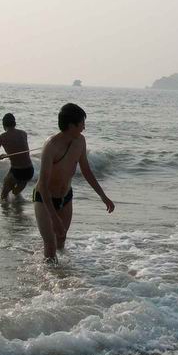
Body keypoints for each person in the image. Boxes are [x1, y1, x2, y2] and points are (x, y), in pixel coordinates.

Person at [33, 103, 115, 263]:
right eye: (82, 124)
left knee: (61, 239)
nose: (84, 127)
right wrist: (53, 217)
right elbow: (42, 184)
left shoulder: (80, 141)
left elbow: (86, 171)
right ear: (71, 125)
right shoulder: (51, 146)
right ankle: (46, 276)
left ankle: (62, 275)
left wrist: (103, 196)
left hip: (66, 197)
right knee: (50, 246)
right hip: (45, 198)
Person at [0, 113, 34, 201]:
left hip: (17, 171)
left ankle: (6, 209)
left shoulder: (0, 138)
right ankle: (18, 207)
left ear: (3, 125)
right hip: (29, 170)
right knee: (15, 193)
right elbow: (21, 151)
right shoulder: (23, 133)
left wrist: (1, 156)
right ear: (14, 124)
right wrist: (7, 155)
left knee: (4, 196)